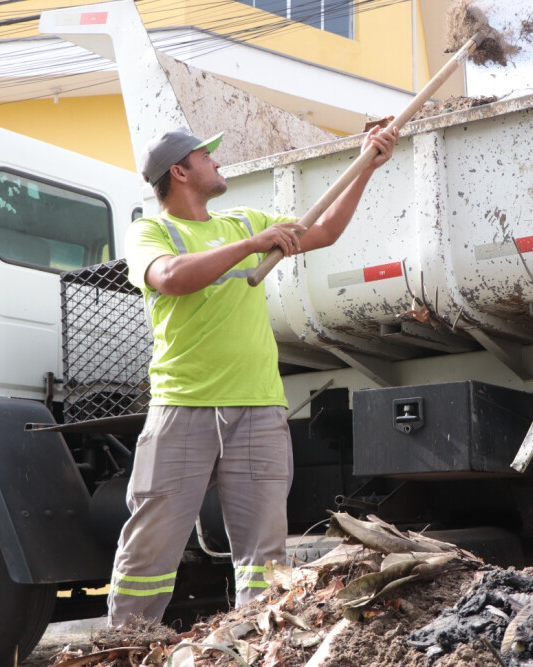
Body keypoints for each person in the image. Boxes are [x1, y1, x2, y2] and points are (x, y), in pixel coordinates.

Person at [108, 123, 399, 625]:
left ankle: (254, 646)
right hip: (183, 407)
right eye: (206, 156)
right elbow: (171, 277)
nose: (217, 162)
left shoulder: (244, 222)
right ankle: (124, 642)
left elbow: (325, 230)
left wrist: (366, 165)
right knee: (152, 540)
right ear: (179, 172)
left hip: (259, 408)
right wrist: (250, 246)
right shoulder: (150, 233)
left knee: (265, 555)